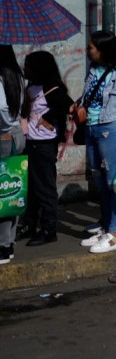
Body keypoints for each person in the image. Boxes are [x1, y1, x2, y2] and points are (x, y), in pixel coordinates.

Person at [76, 30, 116, 254]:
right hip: (92, 130)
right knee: (101, 181)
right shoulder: (93, 71)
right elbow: (88, 97)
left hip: (111, 131)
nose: (87, 51)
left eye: (90, 48)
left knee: (115, 184)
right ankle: (106, 226)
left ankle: (114, 234)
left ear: (102, 49)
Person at [20, 51, 70, 247]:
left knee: (45, 188)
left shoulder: (53, 88)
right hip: (30, 143)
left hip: (43, 145)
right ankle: (29, 224)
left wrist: (49, 118)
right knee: (30, 188)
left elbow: (70, 107)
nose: (25, 69)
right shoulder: (32, 85)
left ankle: (49, 229)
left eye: (28, 65)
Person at [0, 46, 25, 264]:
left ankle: (3, 246)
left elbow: (1, 109)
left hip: (4, 135)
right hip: (16, 133)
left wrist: (6, 128)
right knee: (13, 189)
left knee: (4, 190)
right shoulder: (17, 75)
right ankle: (9, 242)